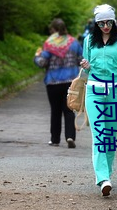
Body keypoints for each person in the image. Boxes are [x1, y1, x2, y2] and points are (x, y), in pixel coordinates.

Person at [80, 4, 117, 196]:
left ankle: (107, 174)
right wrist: (85, 65)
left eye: (109, 22)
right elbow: (86, 70)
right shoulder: (89, 41)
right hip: (93, 91)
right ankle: (102, 178)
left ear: (114, 21)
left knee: (110, 137)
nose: (105, 26)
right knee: (99, 135)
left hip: (114, 92)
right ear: (96, 23)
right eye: (101, 23)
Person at [34, 18, 83, 148]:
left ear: (53, 30)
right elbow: (81, 60)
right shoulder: (74, 43)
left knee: (55, 111)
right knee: (69, 110)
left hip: (53, 82)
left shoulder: (49, 44)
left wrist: (37, 56)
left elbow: (42, 63)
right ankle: (70, 136)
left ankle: (55, 139)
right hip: (70, 82)